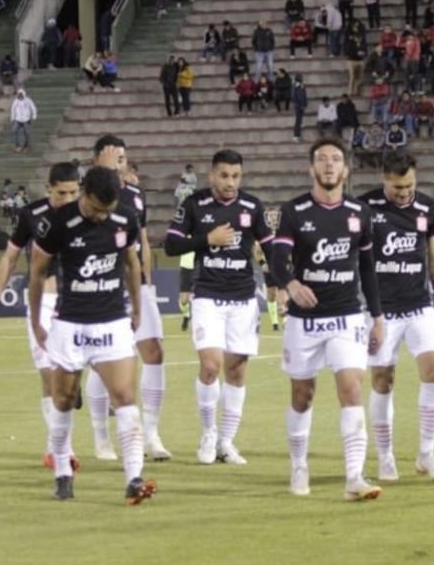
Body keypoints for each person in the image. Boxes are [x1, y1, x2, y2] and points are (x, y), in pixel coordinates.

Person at [28, 166, 156, 505]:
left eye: (108, 211)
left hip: (112, 323)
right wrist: (36, 320)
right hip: (70, 325)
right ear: (83, 194)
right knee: (64, 401)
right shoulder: (56, 222)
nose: (102, 217)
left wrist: (137, 306)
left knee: (125, 397)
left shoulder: (124, 219)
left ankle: (133, 477)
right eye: (96, 209)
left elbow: (131, 262)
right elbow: (38, 273)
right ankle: (62, 472)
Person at [270, 138, 385, 501]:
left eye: (336, 159)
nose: (330, 165)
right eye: (322, 159)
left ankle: (354, 476)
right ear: (311, 168)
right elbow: (277, 258)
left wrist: (377, 315)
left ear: (346, 169)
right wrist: (289, 282)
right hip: (304, 320)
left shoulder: (360, 213)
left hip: (347, 315)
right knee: (302, 396)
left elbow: (368, 268)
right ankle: (299, 465)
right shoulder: (294, 211)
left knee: (351, 388)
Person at [164, 149, 274, 465]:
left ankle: (226, 441)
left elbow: (269, 248)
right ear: (212, 174)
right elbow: (172, 245)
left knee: (237, 370)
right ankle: (209, 432)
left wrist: (281, 282)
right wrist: (207, 238)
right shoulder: (194, 205)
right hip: (208, 296)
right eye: (224, 175)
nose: (230, 182)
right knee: (211, 366)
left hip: (243, 299)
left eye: (235, 176)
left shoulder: (252, 206)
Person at [358, 153, 434, 483]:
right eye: (398, 187)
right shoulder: (364, 207)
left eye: (410, 185)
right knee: (383, 379)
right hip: (380, 310)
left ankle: (427, 453)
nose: (404, 192)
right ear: (384, 178)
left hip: (419, 305)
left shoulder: (428, 209)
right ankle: (385, 457)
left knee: (433, 369)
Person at [0, 163, 83, 468]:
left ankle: (59, 444)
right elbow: (10, 256)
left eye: (73, 192)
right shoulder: (31, 215)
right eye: (61, 193)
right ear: (48, 189)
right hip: (42, 301)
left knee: (66, 381)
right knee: (49, 376)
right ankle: (61, 449)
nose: (68, 199)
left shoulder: (89, 214)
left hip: (79, 302)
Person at [87, 135, 171, 462]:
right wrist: (106, 179)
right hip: (101, 281)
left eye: (122, 159)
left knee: (154, 350)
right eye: (112, 160)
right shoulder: (86, 193)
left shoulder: (136, 195)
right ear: (98, 162)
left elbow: (142, 242)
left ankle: (151, 433)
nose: (119, 165)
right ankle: (101, 438)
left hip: (136, 282)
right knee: (101, 360)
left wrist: (147, 285)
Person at [10, 88, 37, 153]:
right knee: (14, 130)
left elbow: (33, 107)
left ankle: (26, 145)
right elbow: (13, 110)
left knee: (27, 132)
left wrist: (34, 115)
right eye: (19, 94)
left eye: (21, 94)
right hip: (18, 119)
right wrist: (12, 118)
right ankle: (17, 145)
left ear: (24, 94)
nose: (20, 95)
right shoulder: (16, 101)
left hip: (26, 119)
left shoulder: (28, 100)